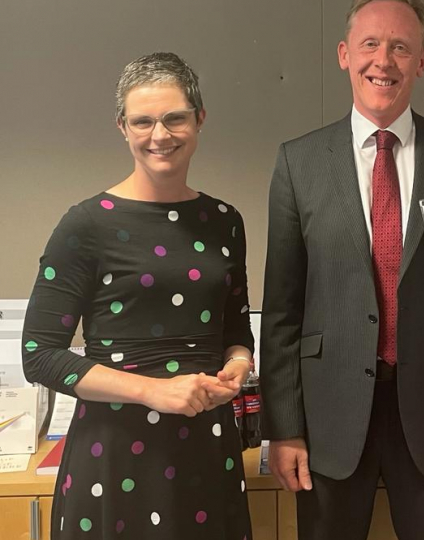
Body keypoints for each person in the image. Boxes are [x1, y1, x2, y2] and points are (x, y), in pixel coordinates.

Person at [259, 1, 424, 538]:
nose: (384, 60)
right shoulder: (298, 162)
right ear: (345, 55)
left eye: (401, 46)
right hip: (328, 418)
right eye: (371, 44)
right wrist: (283, 429)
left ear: (422, 61)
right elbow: (282, 309)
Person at [21, 52, 254, 540]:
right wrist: (153, 390)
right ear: (122, 127)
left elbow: (234, 327)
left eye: (175, 118)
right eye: (143, 121)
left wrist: (238, 360)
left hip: (206, 447)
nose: (159, 135)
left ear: (199, 119)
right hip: (114, 454)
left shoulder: (225, 220)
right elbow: (39, 356)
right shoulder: (87, 223)